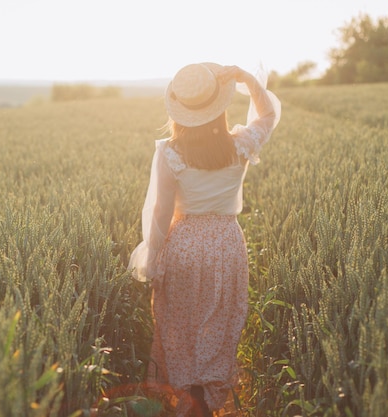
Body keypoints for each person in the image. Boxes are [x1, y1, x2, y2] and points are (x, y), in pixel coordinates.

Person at [129, 62, 281, 416]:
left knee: (178, 323)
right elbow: (269, 114)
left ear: (180, 111)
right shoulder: (242, 144)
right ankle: (208, 397)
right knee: (219, 321)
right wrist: (247, 80)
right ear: (219, 108)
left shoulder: (170, 152)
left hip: (183, 244)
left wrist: (152, 255)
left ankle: (186, 398)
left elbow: (161, 212)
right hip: (226, 244)